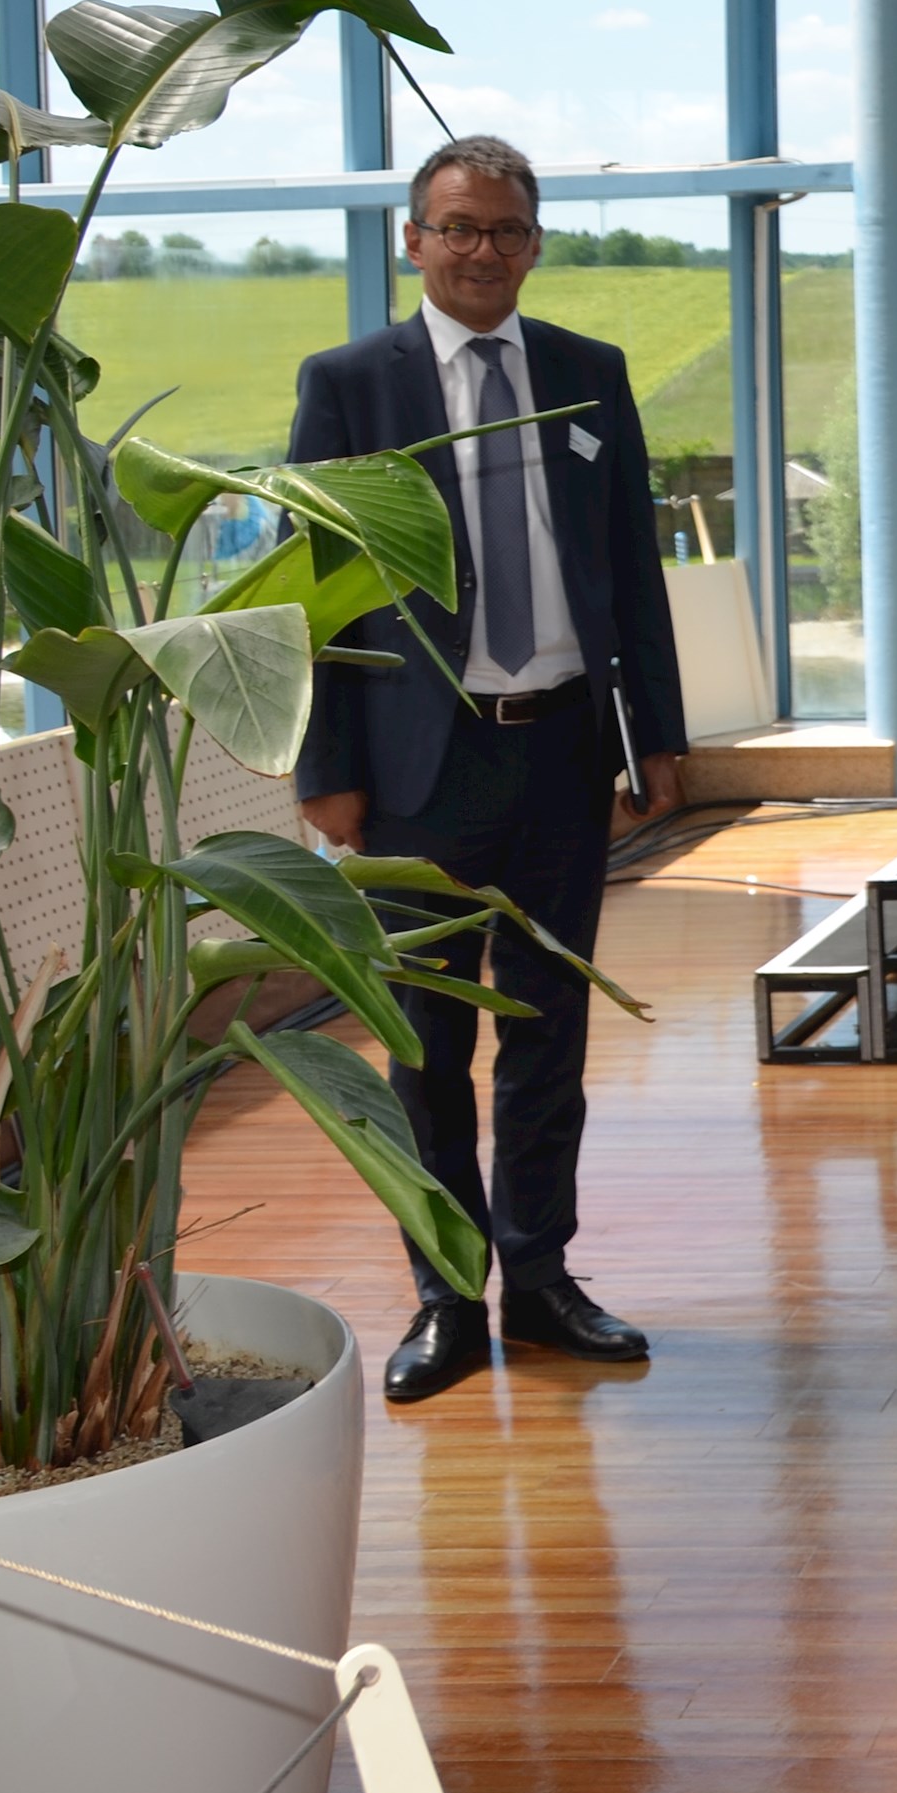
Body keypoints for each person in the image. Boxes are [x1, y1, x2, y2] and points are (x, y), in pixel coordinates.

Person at [290, 135, 690, 1407]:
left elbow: (632, 563)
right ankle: (447, 1294)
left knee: (548, 1032)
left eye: (506, 229)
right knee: (423, 1039)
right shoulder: (350, 384)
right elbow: (313, 592)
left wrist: (657, 733)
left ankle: (544, 1277)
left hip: (562, 749)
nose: (481, 251)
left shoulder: (587, 373)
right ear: (413, 240)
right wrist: (326, 765)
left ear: (535, 241)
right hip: (418, 763)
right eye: (456, 227)